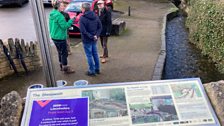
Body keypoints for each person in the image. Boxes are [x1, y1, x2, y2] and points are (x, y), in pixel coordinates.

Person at [49, 0, 75, 74]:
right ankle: (65, 68)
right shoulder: (59, 16)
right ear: (58, 7)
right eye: (62, 6)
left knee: (59, 52)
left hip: (54, 37)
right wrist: (71, 20)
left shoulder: (52, 13)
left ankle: (61, 65)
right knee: (64, 53)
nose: (63, 7)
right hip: (60, 38)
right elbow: (64, 26)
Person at [79, 2, 102, 76]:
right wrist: (96, 35)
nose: (81, 9)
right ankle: (97, 69)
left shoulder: (82, 18)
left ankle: (91, 71)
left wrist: (92, 36)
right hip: (94, 39)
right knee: (95, 54)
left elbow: (83, 31)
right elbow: (100, 27)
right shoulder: (95, 16)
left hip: (87, 40)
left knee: (89, 55)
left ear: (84, 9)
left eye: (81, 8)